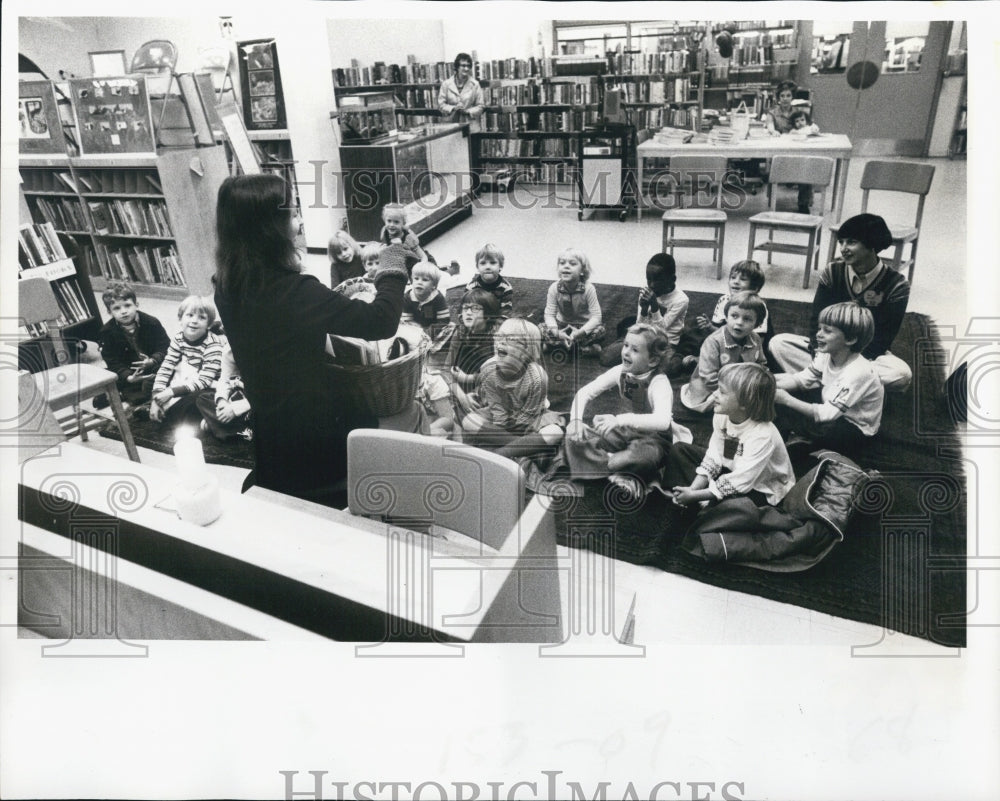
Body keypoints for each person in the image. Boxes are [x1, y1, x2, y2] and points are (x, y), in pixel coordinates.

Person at [213, 173, 407, 506]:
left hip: (271, 439)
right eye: (291, 212)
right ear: (270, 228)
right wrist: (392, 260)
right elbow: (383, 320)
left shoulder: (225, 286)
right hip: (318, 440)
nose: (299, 220)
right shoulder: (297, 292)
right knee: (407, 410)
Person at [768, 213, 912, 391]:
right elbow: (816, 321)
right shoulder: (832, 272)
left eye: (851, 242)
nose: (843, 248)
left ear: (872, 244)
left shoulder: (897, 284)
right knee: (778, 343)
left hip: (863, 358)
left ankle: (820, 382)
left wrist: (847, 362)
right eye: (841, 242)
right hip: (826, 351)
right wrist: (822, 354)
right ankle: (848, 387)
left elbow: (883, 338)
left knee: (901, 374)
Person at [566, 323, 691, 498]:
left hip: (653, 438)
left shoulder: (659, 382)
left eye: (634, 350)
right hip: (625, 431)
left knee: (644, 458)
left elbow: (663, 421)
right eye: (625, 345)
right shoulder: (620, 371)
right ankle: (618, 467)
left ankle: (603, 462)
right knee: (574, 436)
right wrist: (576, 420)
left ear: (653, 360)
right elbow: (585, 392)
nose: (625, 352)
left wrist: (619, 420)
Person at [666, 362, 796, 517]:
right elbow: (714, 456)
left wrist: (696, 495)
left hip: (762, 487)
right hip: (733, 468)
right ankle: (686, 499)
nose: (714, 394)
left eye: (722, 391)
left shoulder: (762, 435)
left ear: (745, 403)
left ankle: (702, 508)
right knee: (680, 450)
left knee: (732, 506)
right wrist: (693, 490)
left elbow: (742, 481)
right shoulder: (722, 415)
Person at [774, 302, 884, 463]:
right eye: (820, 328)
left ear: (851, 339)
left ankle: (808, 445)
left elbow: (826, 414)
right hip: (831, 407)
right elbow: (802, 380)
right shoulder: (826, 354)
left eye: (827, 331)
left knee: (823, 428)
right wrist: (767, 382)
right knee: (789, 396)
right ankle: (798, 437)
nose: (818, 334)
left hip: (854, 428)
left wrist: (786, 399)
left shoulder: (859, 372)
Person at [454, 317, 564, 460]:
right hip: (501, 414)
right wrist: (503, 425)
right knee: (469, 421)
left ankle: (500, 454)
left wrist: (518, 429)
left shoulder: (537, 376)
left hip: (532, 416)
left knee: (554, 432)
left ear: (526, 350)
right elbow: (496, 407)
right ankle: (525, 447)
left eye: (510, 339)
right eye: (499, 336)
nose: (501, 341)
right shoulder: (489, 369)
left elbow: (530, 414)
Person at [680, 290, 768, 413]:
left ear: (757, 324)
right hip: (713, 387)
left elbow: (760, 364)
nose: (739, 322)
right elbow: (708, 376)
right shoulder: (714, 341)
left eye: (747, 319)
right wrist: (732, 393)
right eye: (734, 316)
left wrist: (759, 380)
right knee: (720, 405)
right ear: (726, 316)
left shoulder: (755, 339)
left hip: (740, 383)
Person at [600, 253, 688, 368]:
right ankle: (636, 352)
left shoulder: (681, 300)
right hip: (643, 337)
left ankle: (680, 356)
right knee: (606, 357)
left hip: (665, 342)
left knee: (669, 368)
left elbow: (661, 330)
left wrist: (655, 307)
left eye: (658, 280)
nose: (652, 285)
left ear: (672, 279)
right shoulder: (646, 291)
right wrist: (644, 310)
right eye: (649, 279)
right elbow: (639, 325)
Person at [149, 295, 224, 427]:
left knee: (193, 403)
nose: (194, 321)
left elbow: (204, 381)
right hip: (187, 375)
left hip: (210, 383)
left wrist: (172, 392)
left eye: (202, 317)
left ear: (209, 324)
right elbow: (167, 366)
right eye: (189, 315)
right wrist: (156, 397)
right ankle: (161, 408)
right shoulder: (178, 338)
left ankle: (199, 418)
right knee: (152, 380)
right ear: (180, 319)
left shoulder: (213, 344)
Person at [95, 280, 170, 408]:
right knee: (104, 376)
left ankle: (130, 396)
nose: (123, 311)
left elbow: (165, 346)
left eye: (127, 305)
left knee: (170, 369)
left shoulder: (151, 322)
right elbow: (111, 359)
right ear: (109, 312)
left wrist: (152, 360)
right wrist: (127, 376)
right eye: (117, 308)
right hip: (128, 371)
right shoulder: (106, 332)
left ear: (136, 304)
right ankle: (134, 392)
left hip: (153, 366)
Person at [542, 248, 606, 355]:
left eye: (572, 264)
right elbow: (549, 314)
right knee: (541, 328)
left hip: (582, 327)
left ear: (582, 271)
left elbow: (596, 317)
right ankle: (581, 349)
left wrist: (579, 333)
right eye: (562, 263)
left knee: (600, 330)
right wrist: (556, 332)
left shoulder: (588, 288)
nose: (566, 266)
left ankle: (559, 346)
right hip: (561, 326)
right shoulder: (554, 288)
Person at [765, 80, 814, 213]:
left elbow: (809, 126)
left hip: (797, 148)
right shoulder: (772, 112)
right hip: (780, 149)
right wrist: (773, 131)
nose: (785, 99)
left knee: (806, 167)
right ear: (778, 97)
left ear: (792, 97)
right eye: (782, 96)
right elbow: (769, 125)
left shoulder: (799, 112)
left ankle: (803, 203)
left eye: (788, 95)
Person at [195, 339, 253, 441]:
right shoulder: (229, 349)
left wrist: (235, 409)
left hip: (263, 400)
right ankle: (243, 430)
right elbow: (225, 380)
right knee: (203, 398)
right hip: (241, 396)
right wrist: (222, 402)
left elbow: (271, 391)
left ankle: (227, 429)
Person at [446, 287, 503, 389]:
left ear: (488, 314)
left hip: (489, 388)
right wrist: (461, 396)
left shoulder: (497, 335)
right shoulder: (460, 332)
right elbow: (447, 368)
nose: (468, 312)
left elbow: (499, 374)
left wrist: (470, 378)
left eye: (475, 308)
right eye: (465, 308)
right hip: (460, 387)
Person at [400, 260, 450, 338]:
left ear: (434, 285)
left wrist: (428, 333)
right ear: (412, 280)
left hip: (433, 328)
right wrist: (418, 331)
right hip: (415, 329)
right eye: (416, 278)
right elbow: (407, 321)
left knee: (450, 330)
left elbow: (444, 320)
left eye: (425, 280)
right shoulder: (407, 298)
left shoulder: (437, 297)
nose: (419, 282)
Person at [437, 52, 485, 131]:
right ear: (457, 66)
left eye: (468, 66)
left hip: (471, 127)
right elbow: (441, 105)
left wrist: (468, 111)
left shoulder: (475, 84)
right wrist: (453, 108)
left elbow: (481, 106)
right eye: (463, 65)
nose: (466, 69)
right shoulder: (446, 84)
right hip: (451, 126)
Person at [466, 243, 514, 318]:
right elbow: (464, 309)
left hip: (496, 322)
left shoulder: (506, 288)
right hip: (476, 321)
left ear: (500, 266)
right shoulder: (471, 287)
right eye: (483, 263)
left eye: (493, 263)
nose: (487, 267)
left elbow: (506, 313)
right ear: (477, 267)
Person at [379, 203, 427, 272]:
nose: (391, 225)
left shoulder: (408, 237)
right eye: (389, 221)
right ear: (384, 220)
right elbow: (385, 246)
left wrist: (421, 267)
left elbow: (423, 256)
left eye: (396, 222)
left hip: (413, 263)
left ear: (403, 223)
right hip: (398, 262)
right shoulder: (385, 232)